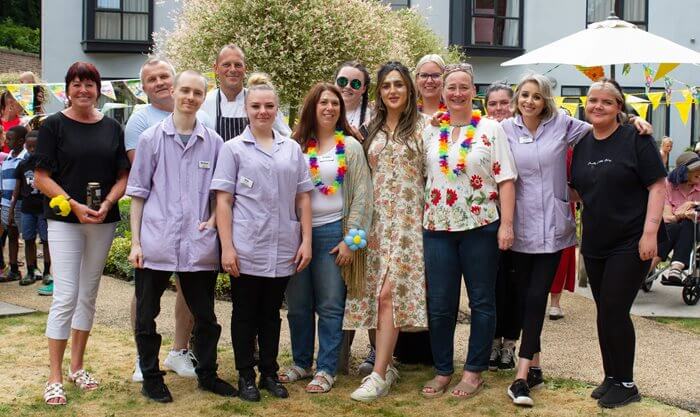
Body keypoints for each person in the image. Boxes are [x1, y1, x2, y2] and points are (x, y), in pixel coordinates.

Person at [501, 73, 652, 407]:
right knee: (531, 299)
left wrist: (636, 121)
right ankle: (548, 367)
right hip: (524, 227)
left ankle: (523, 376)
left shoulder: (565, 125)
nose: (530, 101)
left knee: (545, 298)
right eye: (524, 95)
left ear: (546, 101)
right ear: (517, 98)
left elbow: (608, 130)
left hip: (558, 230)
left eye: (537, 96)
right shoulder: (503, 130)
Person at [127, 70, 235, 403]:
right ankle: (151, 376)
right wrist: (135, 242)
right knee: (146, 315)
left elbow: (222, 192)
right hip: (156, 240)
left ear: (204, 97)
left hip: (198, 244)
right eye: (184, 91)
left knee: (206, 316)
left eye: (197, 93)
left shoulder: (214, 142)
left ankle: (207, 374)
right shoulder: (151, 139)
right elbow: (139, 193)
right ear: (174, 92)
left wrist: (215, 221)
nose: (189, 98)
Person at [211, 73, 313, 402]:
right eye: (256, 106)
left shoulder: (291, 149)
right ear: (246, 109)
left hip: (283, 243)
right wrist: (227, 247)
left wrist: (306, 241)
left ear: (277, 109)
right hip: (246, 245)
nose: (263, 111)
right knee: (244, 313)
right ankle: (245, 374)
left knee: (271, 313)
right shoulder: (233, 149)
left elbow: (303, 198)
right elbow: (223, 201)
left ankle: (269, 372)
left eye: (269, 105)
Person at [419, 64, 517, 399]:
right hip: (437, 226)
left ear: (473, 91)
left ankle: (474, 371)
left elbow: (505, 178)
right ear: (443, 92)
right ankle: (444, 369)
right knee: (441, 303)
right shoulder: (431, 130)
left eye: (464, 87)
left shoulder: (491, 128)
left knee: (481, 300)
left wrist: (506, 225)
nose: (457, 93)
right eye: (451, 87)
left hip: (480, 226)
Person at [35, 62, 129, 405]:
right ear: (68, 89)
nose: (83, 90)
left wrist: (106, 203)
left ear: (98, 89)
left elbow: (123, 176)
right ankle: (55, 376)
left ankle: (77, 367)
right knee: (66, 295)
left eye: (89, 84)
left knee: (88, 294)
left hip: (102, 220)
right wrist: (73, 204)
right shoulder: (54, 126)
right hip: (65, 220)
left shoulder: (113, 128)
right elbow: (41, 177)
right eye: (76, 84)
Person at [570, 78, 665, 408]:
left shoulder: (636, 138)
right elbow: (578, 189)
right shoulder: (583, 142)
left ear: (618, 107)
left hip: (631, 239)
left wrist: (650, 233)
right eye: (593, 100)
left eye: (606, 102)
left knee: (614, 308)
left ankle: (627, 383)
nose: (597, 106)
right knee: (603, 311)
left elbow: (657, 185)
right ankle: (611, 376)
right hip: (596, 240)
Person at [280, 82, 372, 393]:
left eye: (335, 103)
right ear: (312, 108)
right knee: (298, 305)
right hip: (299, 233)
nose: (329, 108)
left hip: (335, 231)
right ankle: (301, 362)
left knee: (332, 305)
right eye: (323, 103)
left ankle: (327, 368)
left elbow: (362, 195)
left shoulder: (351, 147)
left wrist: (352, 239)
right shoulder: (295, 146)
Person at [345, 61, 427, 402]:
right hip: (376, 224)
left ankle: (378, 375)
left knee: (387, 296)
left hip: (408, 226)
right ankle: (387, 363)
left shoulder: (424, 128)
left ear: (409, 89)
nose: (393, 90)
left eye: (399, 84)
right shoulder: (371, 129)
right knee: (372, 296)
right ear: (379, 92)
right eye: (386, 85)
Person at [484, 82, 521, 372]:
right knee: (492, 284)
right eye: (492, 104)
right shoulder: (482, 132)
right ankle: (493, 342)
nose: (498, 109)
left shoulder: (523, 132)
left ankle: (510, 344)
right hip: (489, 218)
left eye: (503, 103)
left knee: (515, 285)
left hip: (523, 220)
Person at [202, 44, 291, 141]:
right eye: (226, 65)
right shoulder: (205, 103)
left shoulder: (261, 101)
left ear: (245, 69)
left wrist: (310, 153)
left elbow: (287, 137)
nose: (232, 70)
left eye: (238, 65)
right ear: (216, 68)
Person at [13, 130, 52, 289]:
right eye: (29, 146)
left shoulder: (48, 164)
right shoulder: (23, 164)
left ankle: (47, 272)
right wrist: (12, 207)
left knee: (46, 240)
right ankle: (31, 270)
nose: (32, 149)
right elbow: (18, 188)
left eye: (35, 146)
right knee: (28, 239)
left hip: (44, 209)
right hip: (27, 208)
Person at [657, 152, 700, 285]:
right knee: (675, 226)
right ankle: (652, 264)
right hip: (673, 228)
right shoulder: (669, 185)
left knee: (688, 223)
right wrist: (680, 214)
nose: (699, 171)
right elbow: (666, 217)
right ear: (683, 172)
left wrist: (693, 206)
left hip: (697, 228)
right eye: (695, 169)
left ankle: (675, 266)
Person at [3, 125, 28, 282]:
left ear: (20, 141)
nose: (6, 141)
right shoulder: (8, 157)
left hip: (19, 203)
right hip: (6, 202)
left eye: (10, 139)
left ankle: (33, 268)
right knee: (11, 235)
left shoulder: (25, 158)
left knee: (28, 236)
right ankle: (13, 268)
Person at [334, 61, 371, 130]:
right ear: (334, 82)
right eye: (342, 81)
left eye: (355, 84)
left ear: (363, 89)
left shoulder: (371, 118)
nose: (348, 86)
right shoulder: (318, 111)